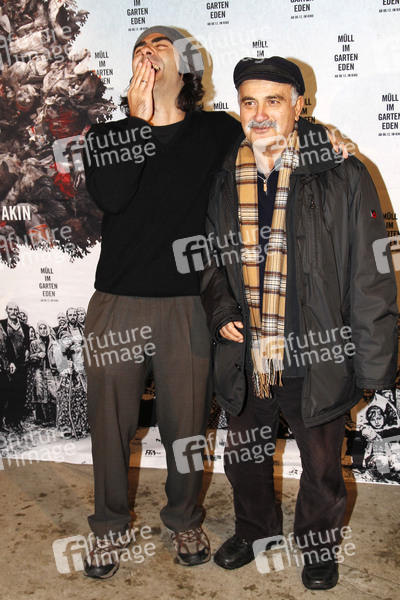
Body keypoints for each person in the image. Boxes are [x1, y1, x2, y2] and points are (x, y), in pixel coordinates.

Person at [200, 56, 398, 590]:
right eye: (249, 101)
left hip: (319, 349)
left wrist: (374, 367)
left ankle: (318, 547)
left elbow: (371, 274)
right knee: (244, 458)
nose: (260, 113)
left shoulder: (343, 172)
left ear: (298, 106)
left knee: (322, 464)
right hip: (247, 352)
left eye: (274, 100)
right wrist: (221, 310)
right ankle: (255, 532)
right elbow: (211, 257)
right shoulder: (224, 174)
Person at [82, 25, 243, 579]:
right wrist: (136, 120)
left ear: (188, 66)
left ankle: (184, 519)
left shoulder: (219, 131)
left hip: (188, 305)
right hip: (117, 302)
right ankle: (108, 527)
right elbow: (111, 197)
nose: (147, 54)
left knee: (187, 428)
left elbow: (272, 150)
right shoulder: (107, 135)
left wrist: (327, 143)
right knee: (109, 426)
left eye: (161, 46)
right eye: (139, 48)